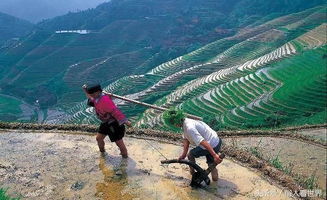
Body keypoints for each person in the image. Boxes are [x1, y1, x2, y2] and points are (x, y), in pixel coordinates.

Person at [163, 108, 223, 181]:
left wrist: (215, 155)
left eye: (173, 123)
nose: (174, 125)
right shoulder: (185, 122)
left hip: (211, 144)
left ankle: (193, 173)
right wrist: (183, 155)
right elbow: (186, 140)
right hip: (215, 140)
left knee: (191, 154)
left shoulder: (189, 128)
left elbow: (203, 142)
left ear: (176, 122)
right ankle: (215, 185)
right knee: (211, 165)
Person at [82, 83, 131, 158]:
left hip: (113, 124)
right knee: (99, 138)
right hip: (105, 123)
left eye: (92, 94)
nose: (91, 96)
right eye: (90, 94)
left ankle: (125, 157)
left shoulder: (105, 100)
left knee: (118, 142)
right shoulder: (96, 98)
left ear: (98, 92)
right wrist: (85, 90)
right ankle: (102, 152)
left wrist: (125, 121)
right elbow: (90, 97)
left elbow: (115, 111)